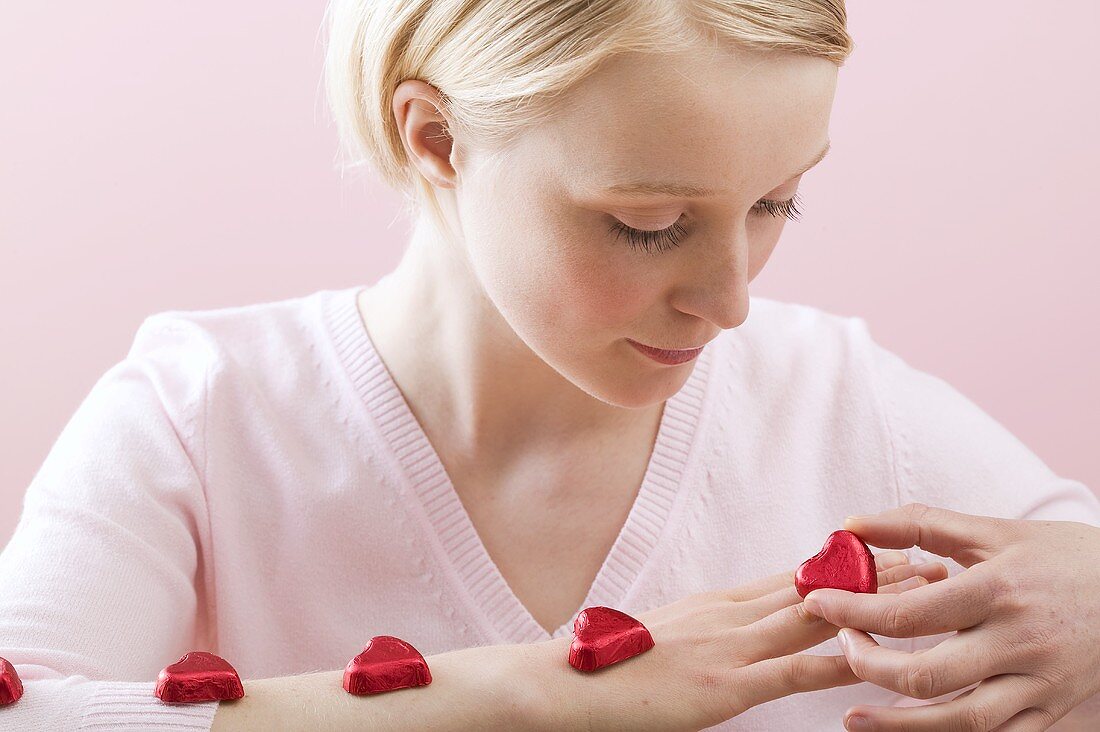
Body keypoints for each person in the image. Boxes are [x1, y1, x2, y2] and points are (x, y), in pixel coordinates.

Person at [2, 0, 1098, 730]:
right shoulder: (204, 414)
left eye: (775, 202)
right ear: (434, 138)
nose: (729, 300)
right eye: (648, 221)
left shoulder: (838, 403)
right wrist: (535, 698)